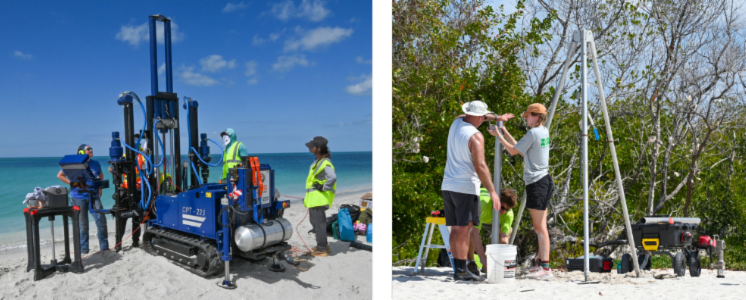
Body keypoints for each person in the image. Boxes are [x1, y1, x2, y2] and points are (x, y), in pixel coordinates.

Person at [441, 100, 513, 281]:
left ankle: (458, 269)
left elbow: (468, 115)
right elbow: (480, 166)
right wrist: (492, 191)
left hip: (448, 186)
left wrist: (497, 117)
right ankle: (463, 270)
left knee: (456, 229)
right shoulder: (476, 136)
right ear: (480, 117)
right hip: (465, 187)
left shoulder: (457, 122)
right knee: (464, 229)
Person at [488, 103, 554, 279]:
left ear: (536, 116)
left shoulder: (533, 133)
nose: (525, 118)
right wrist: (505, 133)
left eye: (528, 115)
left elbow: (512, 151)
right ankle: (541, 263)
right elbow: (522, 149)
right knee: (540, 227)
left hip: (537, 183)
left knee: (540, 228)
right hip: (544, 181)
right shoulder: (543, 131)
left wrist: (498, 136)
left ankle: (545, 268)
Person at [57, 144, 109, 254]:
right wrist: (72, 183)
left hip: (94, 196)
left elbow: (101, 175)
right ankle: (84, 249)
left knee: (101, 221)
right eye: (88, 149)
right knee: (83, 226)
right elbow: (60, 175)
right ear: (81, 152)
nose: (91, 150)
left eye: (91, 148)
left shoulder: (96, 163)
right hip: (79, 197)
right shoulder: (74, 164)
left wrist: (99, 187)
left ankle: (104, 248)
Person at [467, 187, 518, 274]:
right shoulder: (482, 204)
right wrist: (482, 257)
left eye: (507, 209)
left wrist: (502, 260)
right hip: (476, 211)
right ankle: (471, 262)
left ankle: (491, 264)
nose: (504, 212)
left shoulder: (508, 214)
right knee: (471, 230)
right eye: (502, 207)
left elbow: (504, 237)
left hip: (491, 219)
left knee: (508, 231)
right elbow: (474, 233)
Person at [109, 134, 146, 250]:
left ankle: (135, 242)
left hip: (139, 190)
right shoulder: (123, 156)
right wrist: (113, 170)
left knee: (136, 217)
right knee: (122, 218)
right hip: (125, 190)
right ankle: (118, 243)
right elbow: (114, 170)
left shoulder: (142, 157)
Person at [303, 136, 337, 257]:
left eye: (312, 146)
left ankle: (321, 249)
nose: (309, 147)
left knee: (318, 223)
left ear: (318, 149)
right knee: (315, 222)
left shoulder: (325, 162)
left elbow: (332, 177)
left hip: (319, 198)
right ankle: (323, 245)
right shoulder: (319, 161)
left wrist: (324, 187)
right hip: (314, 198)